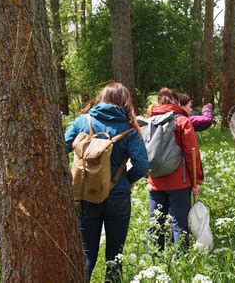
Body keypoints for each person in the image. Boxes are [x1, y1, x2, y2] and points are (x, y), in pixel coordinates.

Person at [65, 82, 148, 282]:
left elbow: (61, 146)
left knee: (86, 254)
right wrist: (126, 181)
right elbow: (142, 165)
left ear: (102, 98)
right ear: (125, 102)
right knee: (115, 257)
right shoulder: (130, 129)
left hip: (87, 195)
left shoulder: (82, 121)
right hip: (117, 197)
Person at [147, 88, 203, 251]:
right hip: (180, 183)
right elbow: (192, 153)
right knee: (179, 223)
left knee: (155, 224)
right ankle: (181, 263)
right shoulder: (182, 122)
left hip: (156, 181)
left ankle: (154, 263)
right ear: (176, 102)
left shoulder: (149, 121)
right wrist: (196, 181)